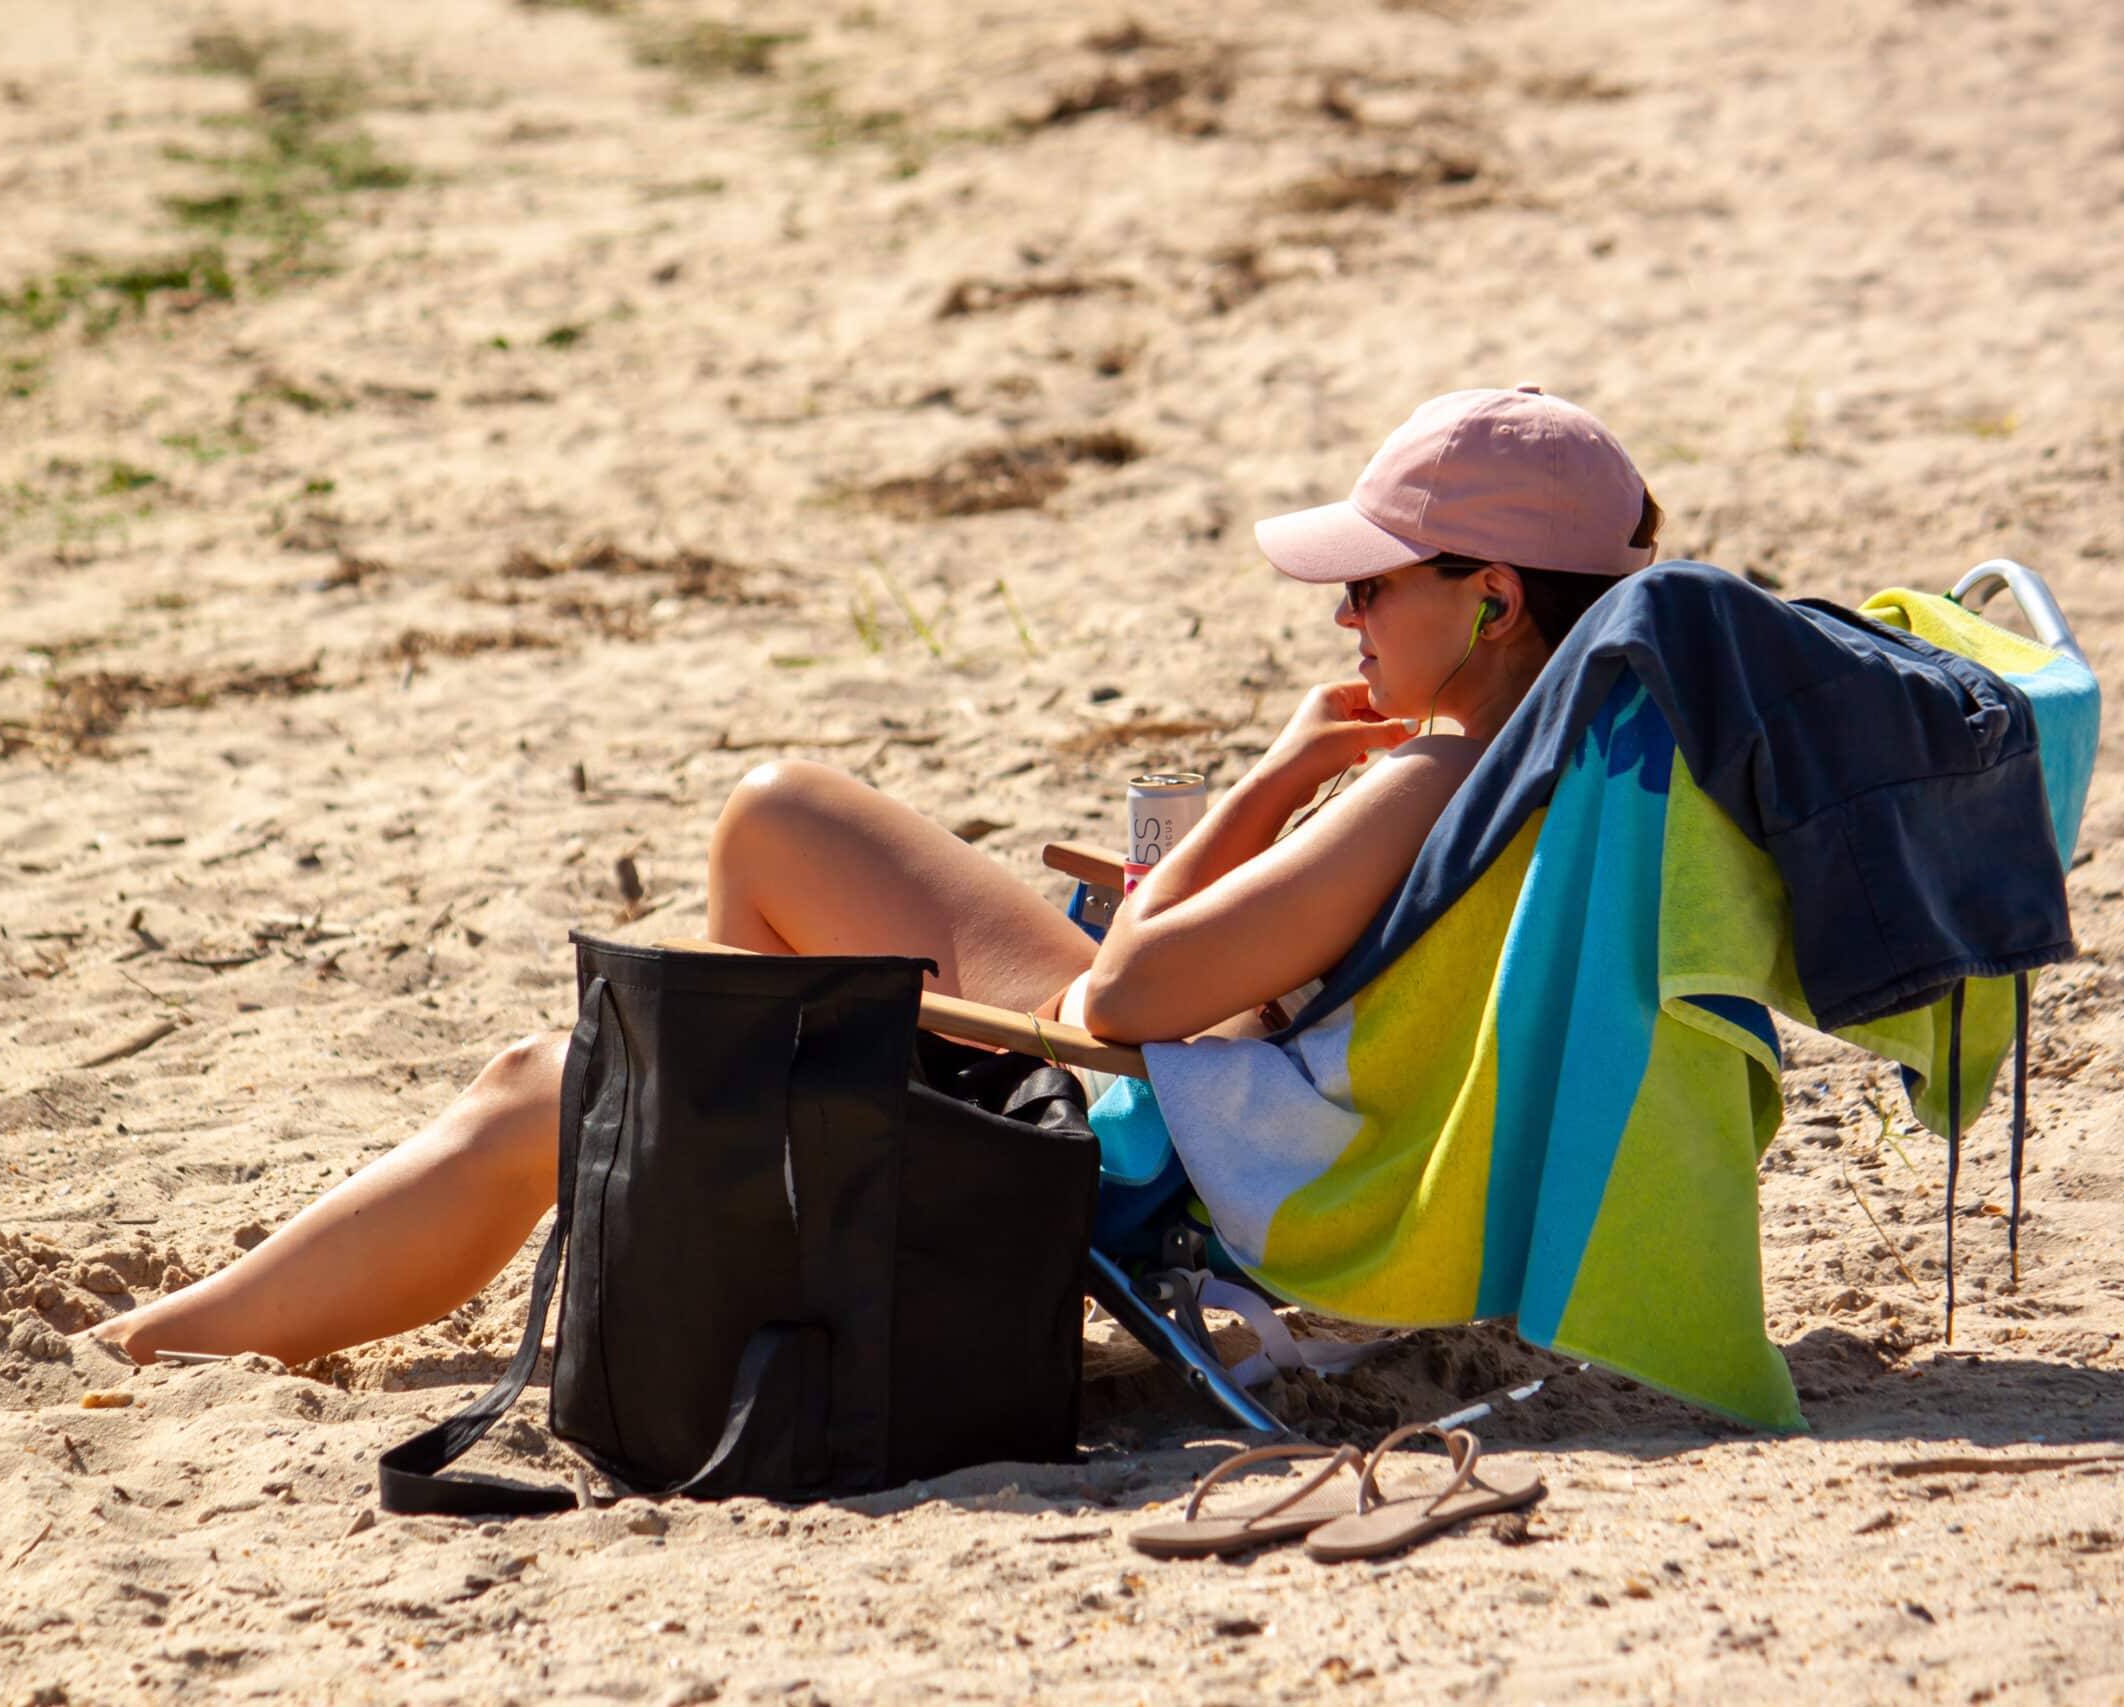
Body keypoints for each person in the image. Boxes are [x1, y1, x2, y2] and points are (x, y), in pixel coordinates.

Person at [91, 386, 1663, 1367]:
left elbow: (1122, 999)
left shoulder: (1423, 785)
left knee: (543, 1094)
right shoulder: (1576, 758)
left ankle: (168, 1342)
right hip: (1220, 1088)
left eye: (1372, 585)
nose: (1343, 622)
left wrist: (1270, 784)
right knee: (780, 817)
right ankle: (735, 1205)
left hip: (1141, 1152)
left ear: (1496, 597)